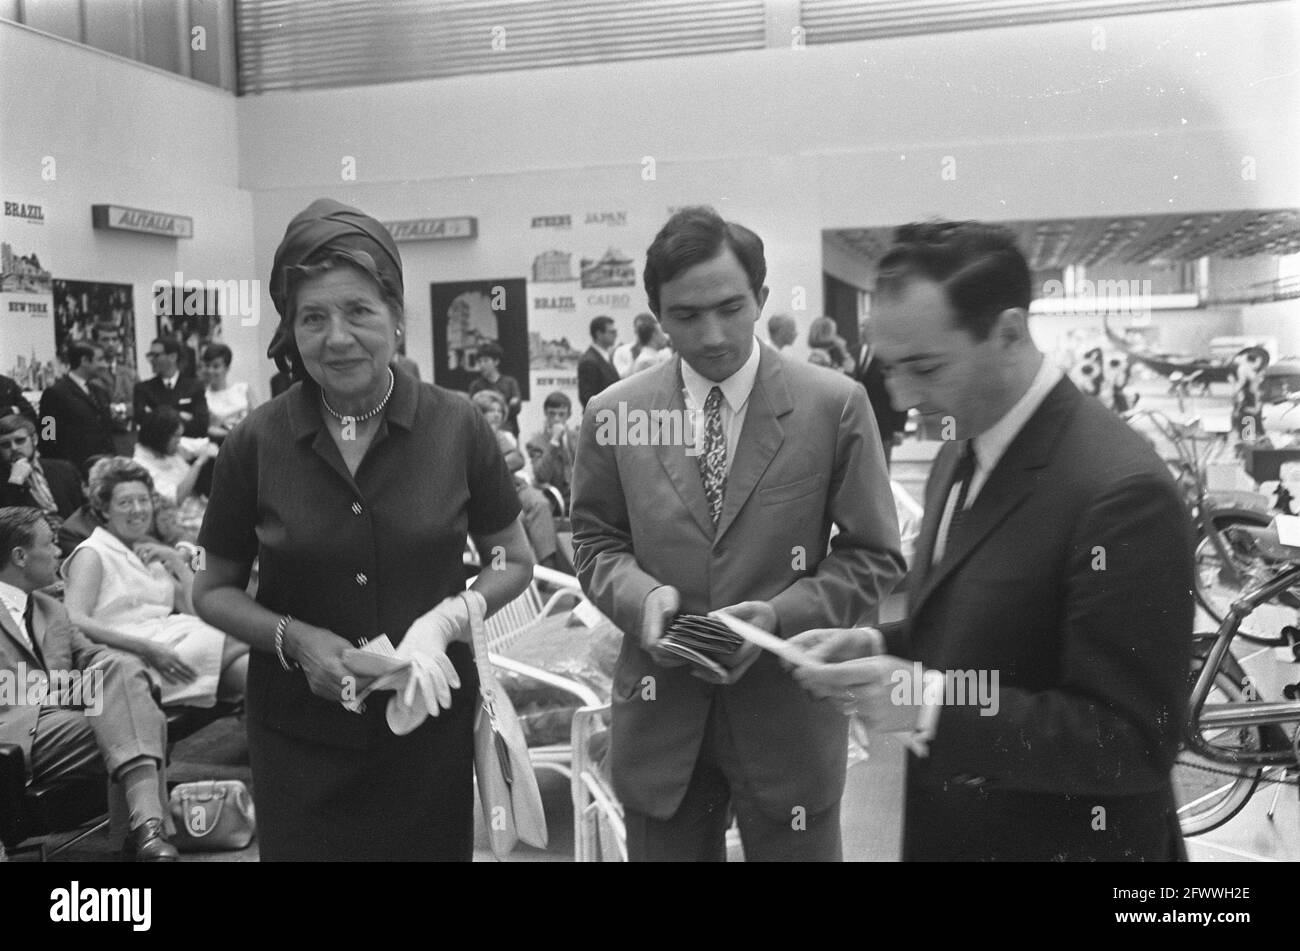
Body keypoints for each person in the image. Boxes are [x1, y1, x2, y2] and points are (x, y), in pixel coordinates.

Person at [790, 220, 1193, 861]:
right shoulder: (962, 444)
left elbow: (1129, 740)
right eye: (888, 368)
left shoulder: (1119, 492)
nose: (899, 396)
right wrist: (876, 641)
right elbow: (980, 624)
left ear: (1007, 333)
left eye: (924, 368)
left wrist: (927, 707)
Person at [190, 198, 533, 861]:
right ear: (291, 330)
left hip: (424, 726)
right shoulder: (256, 442)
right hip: (297, 737)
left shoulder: (456, 426)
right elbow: (211, 590)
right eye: (312, 318)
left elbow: (512, 559)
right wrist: (296, 639)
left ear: (398, 319)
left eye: (359, 312)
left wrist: (446, 620)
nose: (337, 337)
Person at [570, 206, 905, 862]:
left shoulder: (832, 405)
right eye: (686, 315)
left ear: (762, 298)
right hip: (662, 722)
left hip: (788, 716)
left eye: (730, 307)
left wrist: (779, 616)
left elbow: (874, 554)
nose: (713, 334)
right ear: (657, 315)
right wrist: (643, 601)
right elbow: (595, 542)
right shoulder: (617, 413)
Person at [0, 506, 178, 861]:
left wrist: (123, 673)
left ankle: (145, 830)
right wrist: (70, 690)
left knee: (122, 672)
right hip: (14, 728)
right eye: (50, 544)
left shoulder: (53, 609)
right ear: (20, 556)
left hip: (61, 716)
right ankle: (145, 832)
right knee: (145, 721)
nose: (58, 553)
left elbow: (96, 658)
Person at [61, 457, 247, 710]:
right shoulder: (93, 552)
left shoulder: (145, 550)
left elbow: (198, 608)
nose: (137, 509)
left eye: (143, 500)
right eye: (125, 502)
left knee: (247, 665)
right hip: (135, 657)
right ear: (104, 510)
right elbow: (74, 618)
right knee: (252, 640)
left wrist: (177, 563)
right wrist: (147, 648)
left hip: (173, 642)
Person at [472, 389, 568, 572]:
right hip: (490, 492)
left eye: (500, 411)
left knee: (540, 503)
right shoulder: (471, 434)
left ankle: (549, 566)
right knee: (517, 518)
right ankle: (537, 572)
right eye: (491, 411)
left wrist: (491, 467)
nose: (497, 415)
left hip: (515, 485)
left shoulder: (501, 435)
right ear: (479, 412)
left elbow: (517, 459)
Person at [132, 407, 217, 541]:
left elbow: (205, 445)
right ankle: (201, 562)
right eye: (176, 437)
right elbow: (176, 498)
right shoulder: (141, 467)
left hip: (198, 505)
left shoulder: (169, 446)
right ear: (161, 437)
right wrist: (199, 463)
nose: (179, 441)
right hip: (176, 520)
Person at [39, 341, 116, 471]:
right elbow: (47, 436)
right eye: (100, 359)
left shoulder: (100, 391)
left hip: (104, 468)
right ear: (85, 361)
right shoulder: (55, 393)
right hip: (73, 470)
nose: (105, 365)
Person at [0, 414, 83, 522]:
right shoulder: (4, 484)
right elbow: (8, 526)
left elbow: (84, 510)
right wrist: (15, 482)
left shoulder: (64, 468)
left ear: (34, 439)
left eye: (20, 440)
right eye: (5, 445)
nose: (14, 448)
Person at [853, 318, 909, 465]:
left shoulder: (890, 356)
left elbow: (900, 390)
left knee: (881, 471)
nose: (863, 330)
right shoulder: (853, 352)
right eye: (861, 326)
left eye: (868, 327)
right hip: (855, 426)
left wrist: (899, 427)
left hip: (883, 426)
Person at [134, 337, 210, 439]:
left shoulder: (195, 387)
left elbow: (200, 427)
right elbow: (144, 426)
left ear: (173, 357)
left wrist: (155, 414)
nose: (151, 360)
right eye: (150, 355)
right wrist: (180, 415)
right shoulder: (143, 389)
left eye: (156, 355)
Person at [526, 391, 579, 503]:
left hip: (581, 494)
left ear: (569, 415)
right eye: (552, 414)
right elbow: (542, 476)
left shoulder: (578, 438)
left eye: (561, 414)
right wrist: (554, 441)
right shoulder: (536, 442)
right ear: (545, 413)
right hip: (555, 498)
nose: (556, 419)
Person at [201, 343, 260, 441]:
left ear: (227, 368)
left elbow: (259, 417)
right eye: (207, 366)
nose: (210, 371)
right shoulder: (204, 396)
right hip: (223, 443)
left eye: (216, 366)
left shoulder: (243, 388)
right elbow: (209, 429)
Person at [466, 341, 522, 438]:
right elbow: (472, 411)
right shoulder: (475, 385)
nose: (482, 365)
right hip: (484, 433)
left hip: (508, 431)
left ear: (496, 362)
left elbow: (516, 407)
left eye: (486, 360)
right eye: (480, 362)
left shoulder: (510, 382)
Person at [577, 315, 620, 409]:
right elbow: (588, 398)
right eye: (612, 332)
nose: (616, 335)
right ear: (599, 334)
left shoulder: (605, 357)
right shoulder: (589, 361)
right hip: (600, 419)